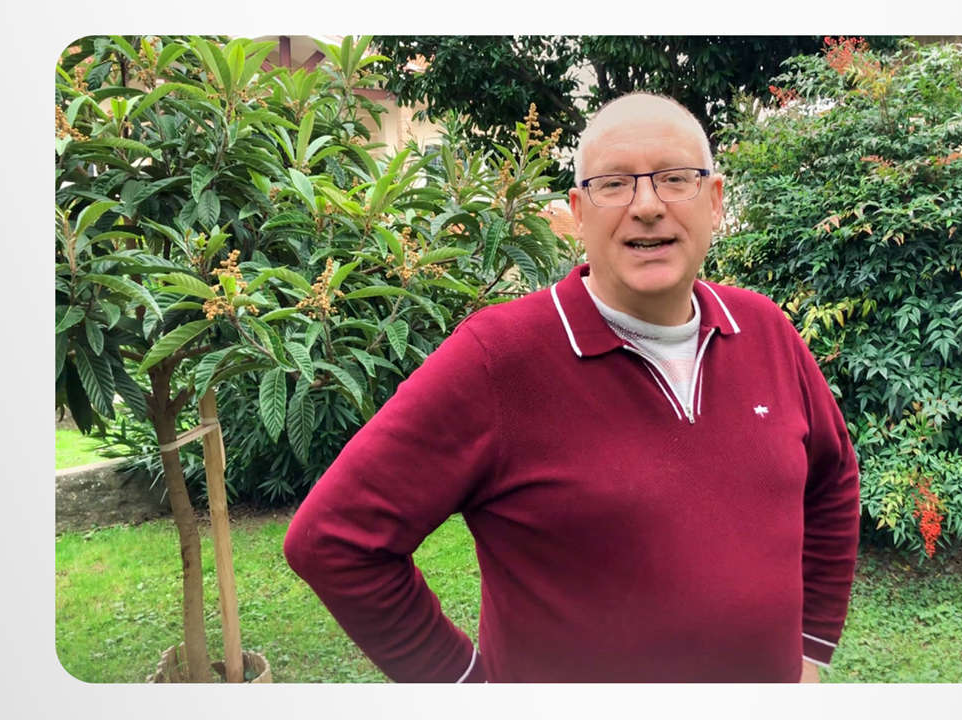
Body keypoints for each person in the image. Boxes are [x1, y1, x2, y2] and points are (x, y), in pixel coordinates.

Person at [283, 92, 860, 683]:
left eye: (675, 179)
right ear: (578, 213)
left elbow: (834, 474)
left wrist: (811, 648)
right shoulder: (498, 357)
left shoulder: (764, 328)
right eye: (614, 184)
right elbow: (333, 540)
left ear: (714, 201)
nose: (647, 207)